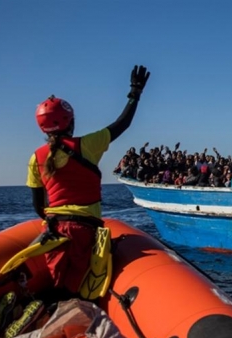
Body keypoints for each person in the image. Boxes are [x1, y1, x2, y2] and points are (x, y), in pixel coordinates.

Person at [28, 65, 150, 299]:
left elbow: (38, 206)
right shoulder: (88, 145)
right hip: (84, 231)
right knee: (78, 292)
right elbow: (122, 124)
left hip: (54, 231)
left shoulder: (37, 158)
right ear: (70, 122)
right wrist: (135, 93)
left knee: (58, 287)